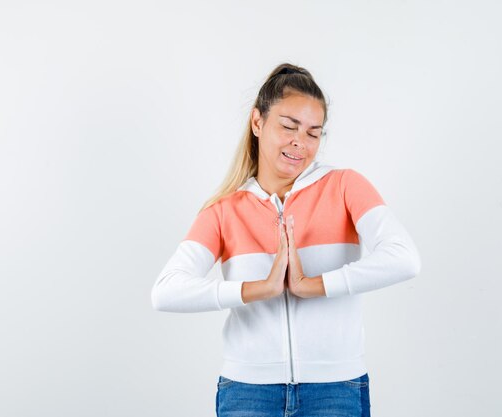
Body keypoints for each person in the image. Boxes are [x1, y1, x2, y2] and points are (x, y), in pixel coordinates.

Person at [151, 63, 421, 417]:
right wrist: (258, 288)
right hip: (248, 391)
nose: (300, 142)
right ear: (258, 123)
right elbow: (165, 291)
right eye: (289, 126)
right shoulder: (224, 209)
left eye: (313, 133)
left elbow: (404, 258)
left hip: (336, 388)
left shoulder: (344, 186)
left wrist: (314, 285)